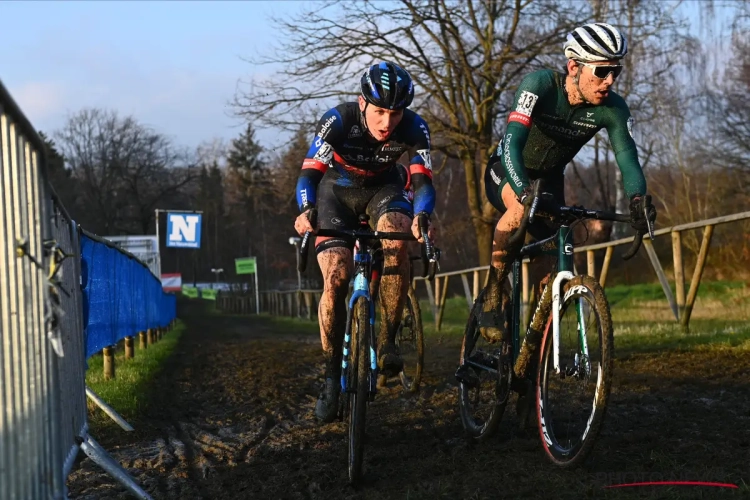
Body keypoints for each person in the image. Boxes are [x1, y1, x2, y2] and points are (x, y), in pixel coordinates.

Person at [459, 23, 656, 420]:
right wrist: (520, 190)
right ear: (573, 67)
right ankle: (495, 293)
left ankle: (526, 373)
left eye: (615, 70)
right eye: (601, 71)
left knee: (555, 278)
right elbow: (513, 143)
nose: (609, 80)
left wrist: (638, 199)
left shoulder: (612, 108)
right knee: (517, 210)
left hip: (549, 181)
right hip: (508, 169)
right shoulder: (539, 85)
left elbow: (628, 157)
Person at [293, 62, 436, 423]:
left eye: (395, 112)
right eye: (379, 111)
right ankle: (330, 378)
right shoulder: (338, 120)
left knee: (398, 236)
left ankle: (387, 341)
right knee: (336, 277)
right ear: (362, 103)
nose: (387, 122)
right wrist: (307, 211)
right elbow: (309, 176)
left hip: (384, 191)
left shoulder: (415, 127)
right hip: (335, 195)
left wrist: (422, 216)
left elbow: (422, 184)